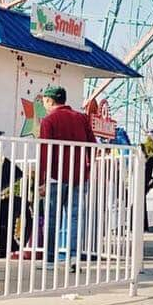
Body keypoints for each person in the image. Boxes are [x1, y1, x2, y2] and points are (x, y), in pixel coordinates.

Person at [37, 85, 97, 262]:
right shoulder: (81, 118)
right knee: (75, 217)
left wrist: (41, 179)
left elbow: (45, 150)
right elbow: (92, 145)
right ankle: (73, 256)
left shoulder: (49, 121)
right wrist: (87, 170)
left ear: (49, 100)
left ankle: (49, 258)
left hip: (55, 176)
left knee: (52, 217)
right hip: (78, 176)